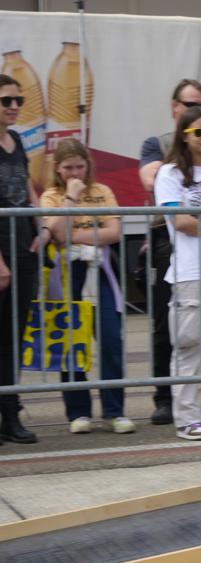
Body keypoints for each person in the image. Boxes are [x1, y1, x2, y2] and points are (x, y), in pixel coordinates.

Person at [138, 78, 201, 426]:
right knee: (189, 346)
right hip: (190, 273)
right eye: (199, 132)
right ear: (185, 136)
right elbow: (181, 222)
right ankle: (188, 418)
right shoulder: (169, 173)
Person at [41, 138, 135, 434]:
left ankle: (114, 410)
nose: (75, 174)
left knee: (110, 337)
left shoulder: (102, 191)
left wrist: (77, 238)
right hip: (68, 272)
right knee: (72, 340)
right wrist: (70, 198)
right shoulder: (51, 196)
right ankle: (78, 411)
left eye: (80, 167)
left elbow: (114, 232)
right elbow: (56, 233)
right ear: (57, 169)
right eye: (68, 168)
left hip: (101, 269)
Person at [0, 74, 43, 444]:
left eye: (18, 101)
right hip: (1, 251)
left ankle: (10, 416)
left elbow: (28, 188)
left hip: (23, 248)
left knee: (14, 337)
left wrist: (42, 225)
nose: (14, 107)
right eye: (6, 101)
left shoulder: (16, 141)